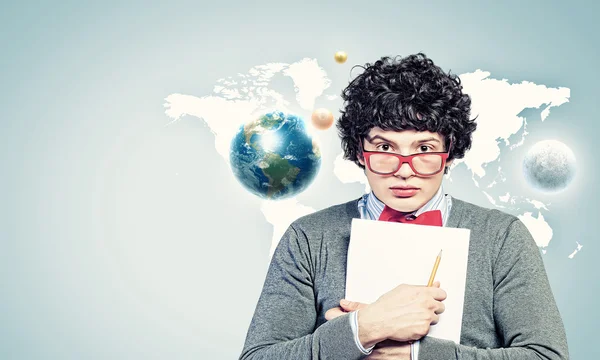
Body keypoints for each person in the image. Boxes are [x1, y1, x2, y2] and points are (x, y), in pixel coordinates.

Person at [239, 53, 569, 360]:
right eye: (385, 146)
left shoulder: (502, 238)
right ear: (358, 151)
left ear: (450, 151)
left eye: (424, 147)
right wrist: (363, 329)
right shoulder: (309, 238)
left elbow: (547, 356)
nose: (405, 169)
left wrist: (419, 353)